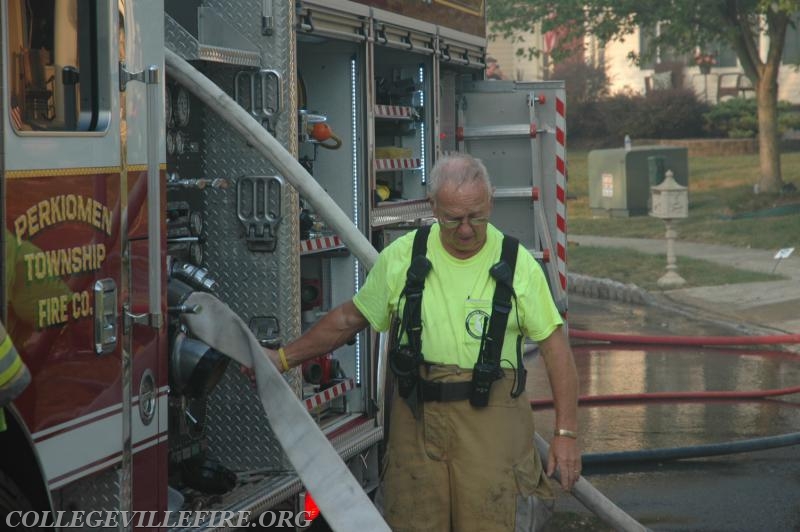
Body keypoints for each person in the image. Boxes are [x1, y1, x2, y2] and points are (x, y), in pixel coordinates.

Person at [265, 153, 580, 531]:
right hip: (415, 427)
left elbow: (556, 350)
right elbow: (349, 319)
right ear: (433, 207)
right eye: (453, 219)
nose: (466, 230)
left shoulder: (518, 266)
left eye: (476, 217)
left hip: (492, 432)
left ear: (491, 201)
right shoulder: (403, 257)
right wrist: (282, 359)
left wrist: (565, 434)